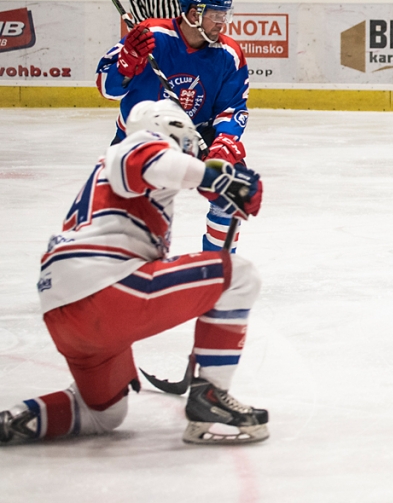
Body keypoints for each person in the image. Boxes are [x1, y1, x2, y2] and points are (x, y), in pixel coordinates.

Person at [0, 100, 267, 446]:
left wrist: (215, 181)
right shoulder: (139, 144)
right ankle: (210, 402)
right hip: (103, 289)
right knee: (239, 275)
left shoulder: (114, 178)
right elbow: (147, 162)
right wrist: (218, 177)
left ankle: (17, 417)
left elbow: (154, 173)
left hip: (62, 311)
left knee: (102, 413)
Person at [96, 0, 250, 252]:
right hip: (140, 138)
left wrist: (224, 141)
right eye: (216, 15)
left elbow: (233, 107)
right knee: (126, 214)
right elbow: (107, 89)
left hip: (195, 135)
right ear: (193, 14)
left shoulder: (229, 54)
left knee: (231, 186)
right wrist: (126, 66)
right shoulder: (149, 35)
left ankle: (219, 265)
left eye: (224, 16)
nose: (221, 23)